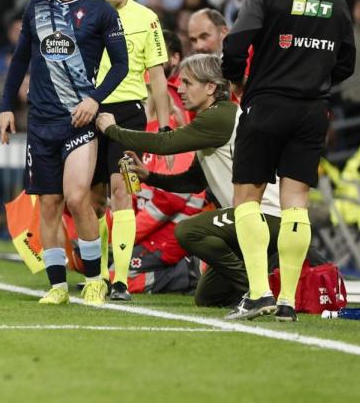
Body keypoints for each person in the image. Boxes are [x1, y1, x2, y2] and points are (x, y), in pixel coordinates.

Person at [220, 0, 355, 322]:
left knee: (247, 197)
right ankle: (289, 301)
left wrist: (238, 80)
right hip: (313, 111)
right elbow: (346, 64)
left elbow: (234, 47)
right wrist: (312, 78)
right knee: (296, 203)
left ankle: (260, 292)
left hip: (267, 105)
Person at [97, 54, 292, 308]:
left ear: (211, 87)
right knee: (207, 297)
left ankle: (257, 290)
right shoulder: (214, 119)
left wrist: (114, 130)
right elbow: (194, 181)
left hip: (264, 215)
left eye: (188, 83)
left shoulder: (219, 116)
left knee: (188, 231)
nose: (180, 89)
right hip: (249, 219)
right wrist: (151, 177)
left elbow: (164, 143)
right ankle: (262, 281)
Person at [0, 0, 128, 306]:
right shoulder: (36, 8)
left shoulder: (102, 12)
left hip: (78, 121)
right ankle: (57, 287)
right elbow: (20, 58)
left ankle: (94, 280)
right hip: (40, 122)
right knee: (50, 204)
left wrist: (94, 99)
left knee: (77, 197)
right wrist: (7, 105)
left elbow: (121, 65)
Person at [92, 0, 170, 301]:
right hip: (86, 112)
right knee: (91, 200)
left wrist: (165, 127)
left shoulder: (147, 19)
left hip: (128, 116)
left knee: (122, 192)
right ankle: (97, 275)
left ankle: (120, 280)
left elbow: (157, 76)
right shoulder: (82, 14)